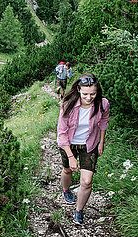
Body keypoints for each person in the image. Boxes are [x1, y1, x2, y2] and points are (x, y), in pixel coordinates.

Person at [57, 73, 110, 225]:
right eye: (85, 94)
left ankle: (79, 210)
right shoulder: (68, 104)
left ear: (97, 91)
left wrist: (101, 142)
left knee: (86, 181)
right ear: (78, 90)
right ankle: (66, 190)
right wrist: (71, 157)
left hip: (90, 144)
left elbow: (103, 122)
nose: (89, 97)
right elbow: (61, 133)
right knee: (68, 169)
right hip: (69, 143)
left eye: (92, 93)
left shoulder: (103, 104)